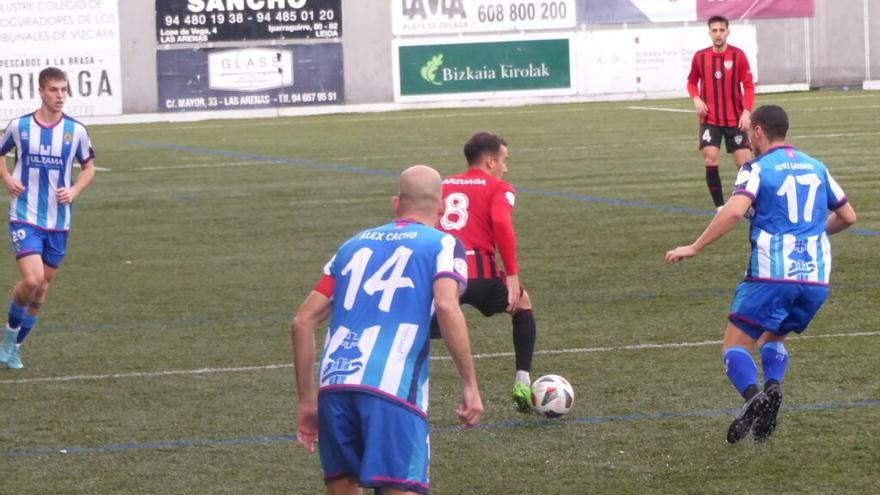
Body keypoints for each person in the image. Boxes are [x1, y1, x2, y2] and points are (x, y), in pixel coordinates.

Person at [665, 105, 856, 444]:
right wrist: (811, 235)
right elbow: (848, 216)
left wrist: (694, 247)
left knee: (733, 347)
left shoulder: (756, 168)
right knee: (773, 337)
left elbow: (735, 211)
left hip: (770, 276)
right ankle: (772, 387)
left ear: (757, 131)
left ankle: (753, 396)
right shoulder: (816, 166)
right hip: (814, 280)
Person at [291, 165, 483, 495]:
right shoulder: (443, 244)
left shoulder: (351, 246)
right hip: (392, 390)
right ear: (441, 207)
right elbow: (448, 306)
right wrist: (469, 383)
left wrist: (308, 402)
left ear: (396, 204)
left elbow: (302, 322)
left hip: (335, 385)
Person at [431, 132, 537, 413]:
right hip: (481, 274)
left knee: (423, 327)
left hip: (443, 275)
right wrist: (512, 274)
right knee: (522, 304)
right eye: (504, 160)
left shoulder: (442, 184)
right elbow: (501, 223)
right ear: (490, 161)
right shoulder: (498, 187)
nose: (506, 167)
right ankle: (522, 381)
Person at [0, 67, 96, 370]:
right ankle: (7, 338)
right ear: (41, 91)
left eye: (64, 90)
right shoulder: (20, 126)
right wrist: (6, 178)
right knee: (33, 279)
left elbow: (89, 167)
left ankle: (14, 347)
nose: (60, 96)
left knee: (42, 288)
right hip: (25, 214)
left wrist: (75, 190)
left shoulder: (76, 131)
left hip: (58, 221)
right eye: (54, 90)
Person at [687, 15, 756, 211]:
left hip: (735, 119)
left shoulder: (738, 56)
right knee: (710, 158)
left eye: (721, 30)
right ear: (709, 33)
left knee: (745, 166)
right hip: (710, 119)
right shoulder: (700, 57)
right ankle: (719, 207)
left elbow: (748, 85)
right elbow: (692, 81)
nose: (718, 34)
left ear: (727, 32)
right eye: (714, 30)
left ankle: (750, 204)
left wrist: (746, 112)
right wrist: (696, 98)